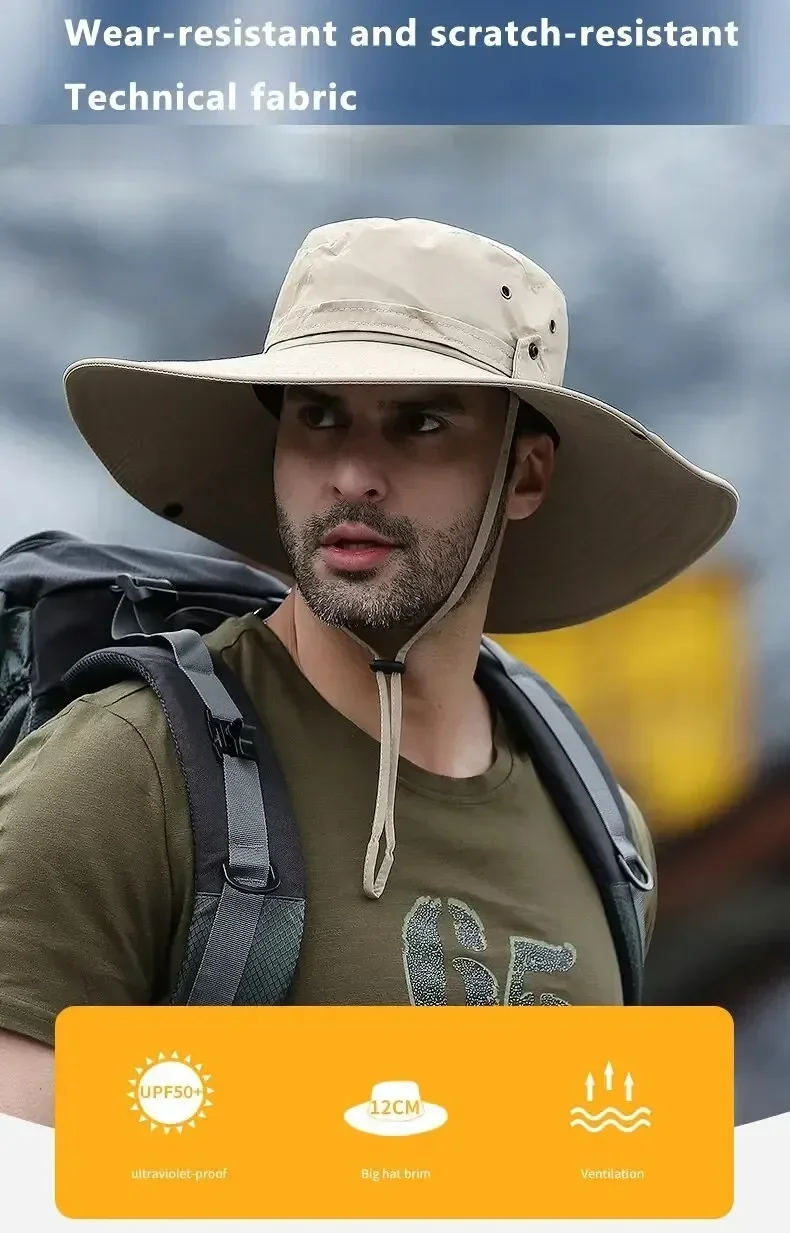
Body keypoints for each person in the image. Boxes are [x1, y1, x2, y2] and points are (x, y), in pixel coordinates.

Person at [0, 216, 738, 1125]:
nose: (352, 473)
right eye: (318, 417)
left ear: (525, 475)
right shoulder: (124, 773)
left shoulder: (600, 829)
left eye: (418, 423)